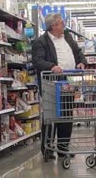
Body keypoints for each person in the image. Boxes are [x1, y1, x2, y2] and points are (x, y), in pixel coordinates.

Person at [32, 13, 88, 158]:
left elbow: (78, 52)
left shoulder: (68, 37)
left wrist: (82, 62)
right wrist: (52, 66)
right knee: (52, 116)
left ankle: (63, 148)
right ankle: (48, 149)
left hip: (69, 81)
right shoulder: (41, 42)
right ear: (54, 26)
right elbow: (38, 61)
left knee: (67, 114)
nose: (64, 25)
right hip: (52, 83)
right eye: (61, 23)